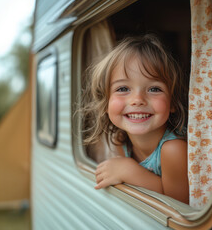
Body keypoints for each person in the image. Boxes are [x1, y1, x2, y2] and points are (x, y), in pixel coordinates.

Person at [81, 34, 189, 204]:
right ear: (106, 101)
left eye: (154, 89)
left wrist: (130, 171)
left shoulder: (173, 150)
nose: (138, 99)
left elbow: (178, 206)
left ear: (173, 102)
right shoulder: (120, 141)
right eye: (123, 88)